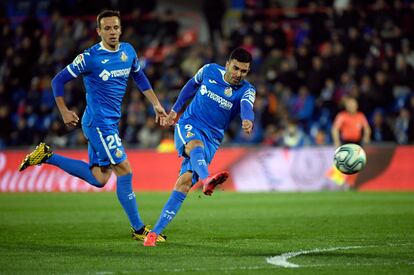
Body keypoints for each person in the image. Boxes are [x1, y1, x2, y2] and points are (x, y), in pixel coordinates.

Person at [18, 10, 168, 243]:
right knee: (125, 170)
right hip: (99, 123)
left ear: (121, 29)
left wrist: (156, 104)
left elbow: (138, 76)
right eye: (107, 28)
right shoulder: (89, 57)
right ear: (98, 31)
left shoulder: (128, 51)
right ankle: (139, 229)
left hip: (108, 122)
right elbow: (58, 80)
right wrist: (64, 110)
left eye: (116, 28)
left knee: (99, 178)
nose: (112, 32)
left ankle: (47, 156)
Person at [143, 48, 256, 246]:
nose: (239, 74)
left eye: (244, 71)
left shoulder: (247, 90)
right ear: (228, 63)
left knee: (184, 183)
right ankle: (207, 179)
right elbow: (189, 87)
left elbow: (247, 106)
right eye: (236, 68)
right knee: (195, 145)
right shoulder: (209, 70)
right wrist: (174, 112)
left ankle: (153, 234)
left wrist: (247, 119)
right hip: (189, 124)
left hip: (212, 139)